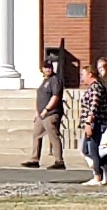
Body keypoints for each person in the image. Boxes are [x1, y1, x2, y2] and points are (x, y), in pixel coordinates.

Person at [25, 38, 77, 168]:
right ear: (42, 69)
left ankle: (59, 160)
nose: (48, 69)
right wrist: (38, 113)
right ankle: (34, 159)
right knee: (36, 136)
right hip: (41, 115)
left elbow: (55, 96)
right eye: (45, 67)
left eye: (49, 67)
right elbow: (40, 97)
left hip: (51, 113)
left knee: (54, 136)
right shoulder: (44, 81)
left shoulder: (55, 80)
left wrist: (47, 110)